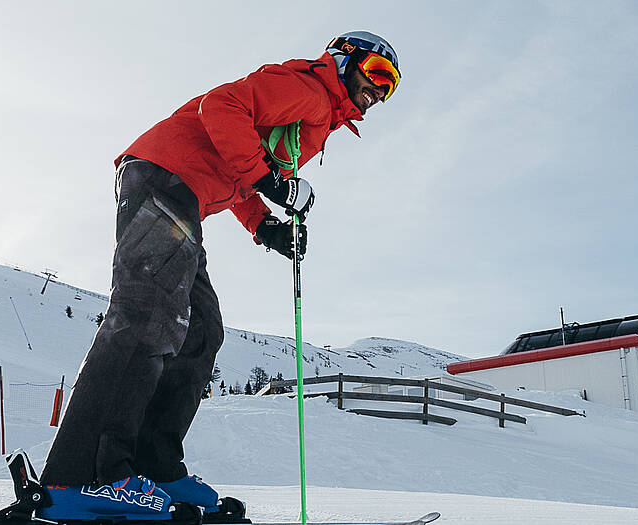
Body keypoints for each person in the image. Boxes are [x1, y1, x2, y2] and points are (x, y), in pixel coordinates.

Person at [34, 31, 399, 522]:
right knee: (147, 317)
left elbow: (240, 164)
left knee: (202, 331)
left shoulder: (317, 121)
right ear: (345, 59)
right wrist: (273, 183)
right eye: (377, 73)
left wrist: (263, 224)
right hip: (166, 176)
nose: (378, 92)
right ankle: (82, 479)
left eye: (390, 87)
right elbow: (221, 108)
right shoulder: (311, 89)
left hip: (186, 195)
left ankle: (154, 466)